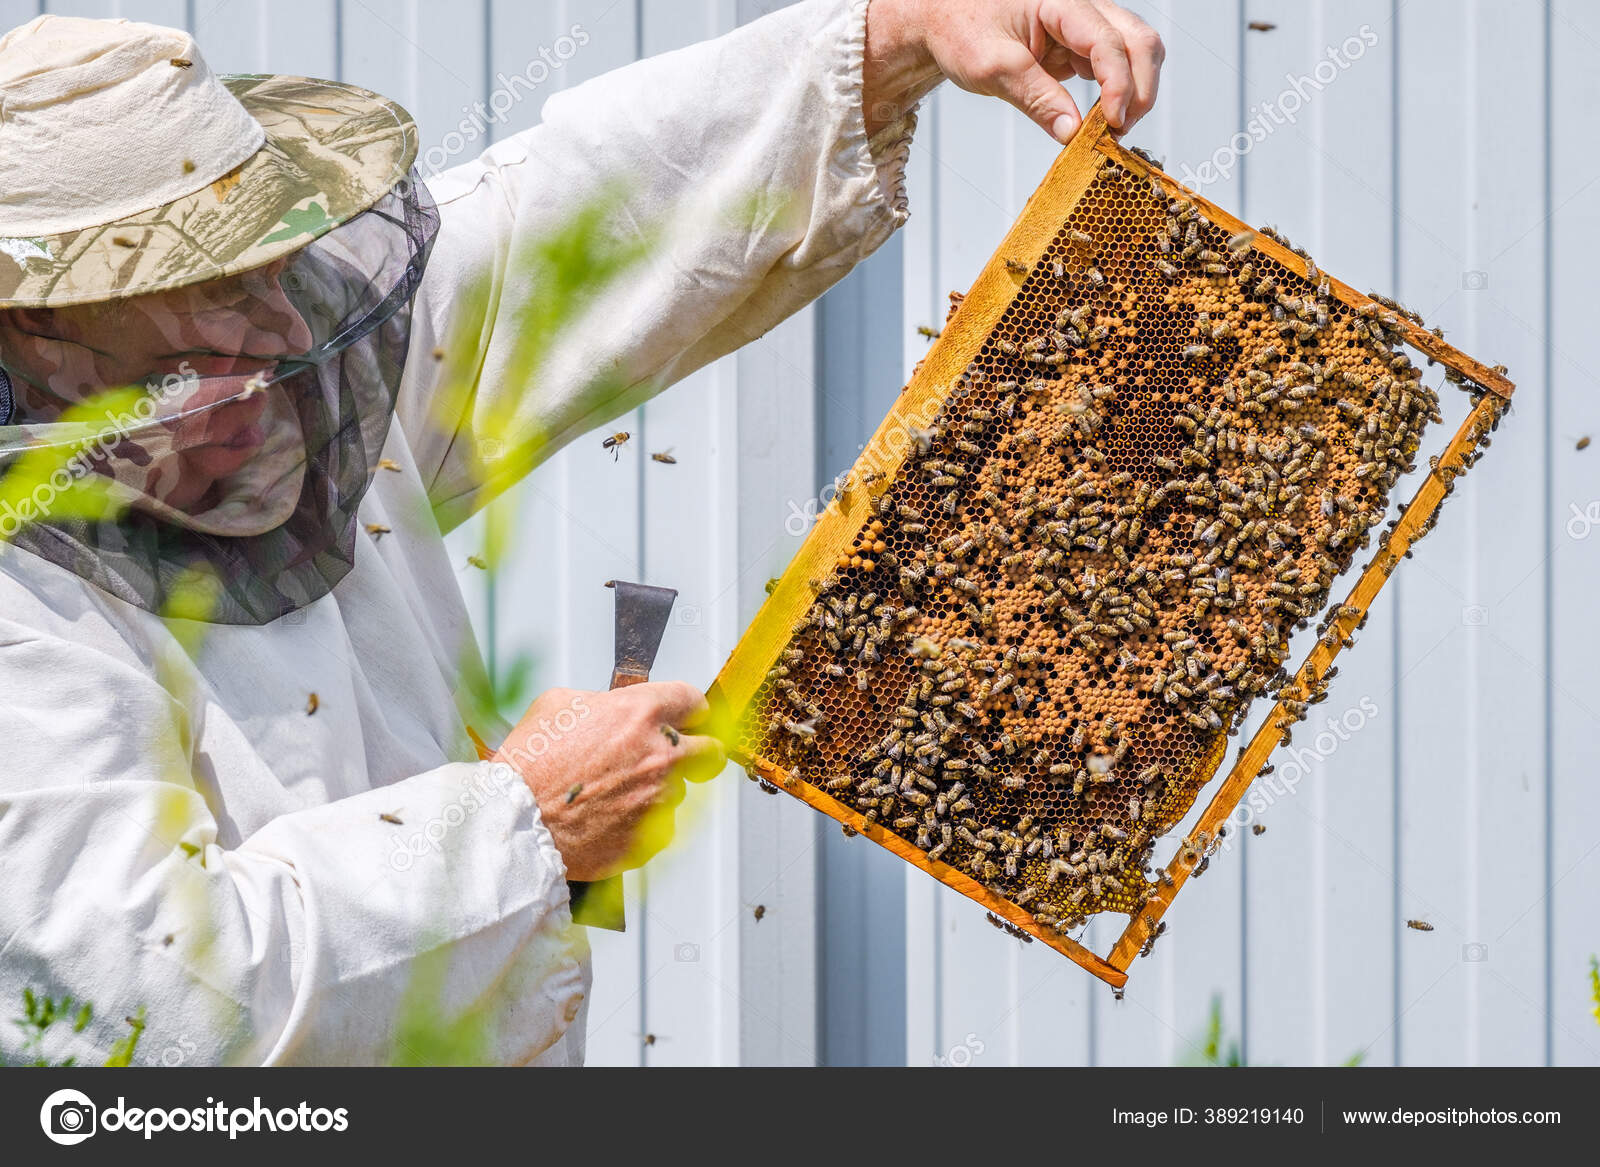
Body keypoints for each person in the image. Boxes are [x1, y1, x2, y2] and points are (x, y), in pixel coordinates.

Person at [0, 0, 1162, 1065]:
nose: (263, 365)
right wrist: (517, 823)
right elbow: (136, 1008)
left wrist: (890, 38)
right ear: (31, 347)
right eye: (184, 356)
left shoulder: (310, 359)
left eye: (269, 288)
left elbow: (578, 206)